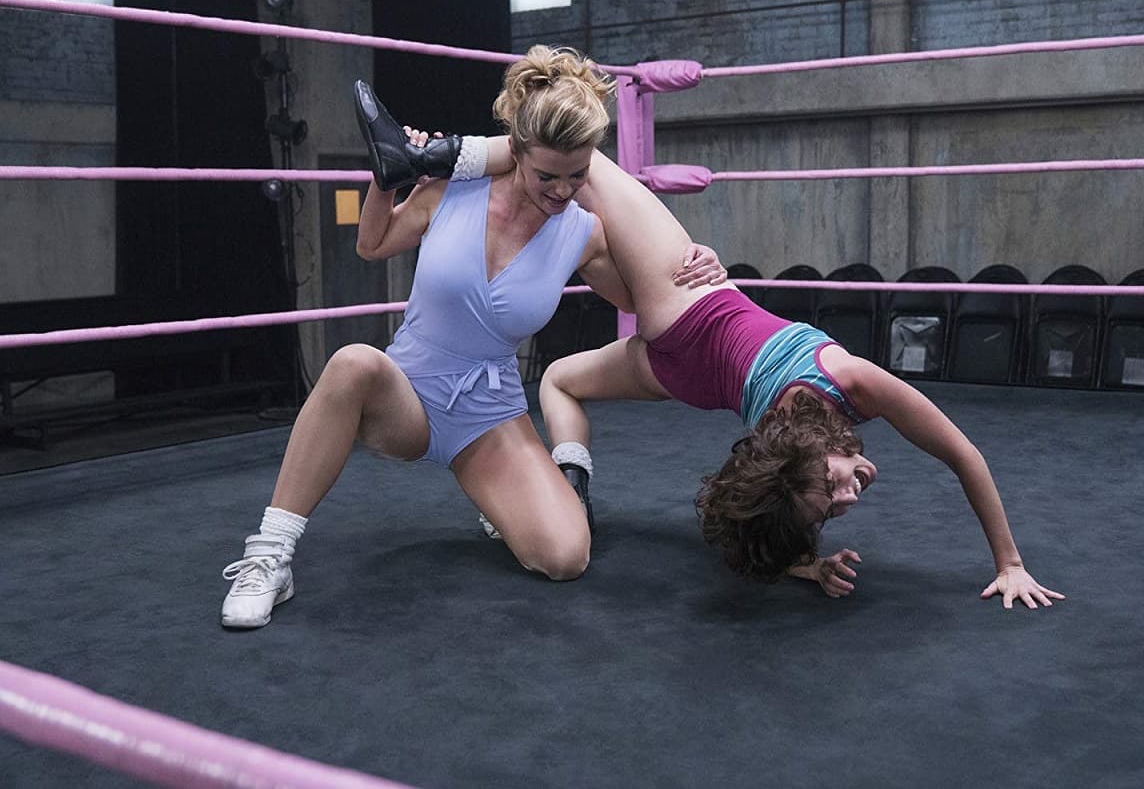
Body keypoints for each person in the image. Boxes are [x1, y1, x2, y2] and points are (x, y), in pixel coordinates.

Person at [385, 120, 1064, 612]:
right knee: (560, 365)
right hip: (688, 373)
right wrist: (1006, 562)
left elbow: (781, 496)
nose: (851, 497)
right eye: (836, 496)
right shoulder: (838, 397)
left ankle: (433, 154)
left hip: (687, 307)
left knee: (587, 164)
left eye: (830, 498)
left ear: (800, 456)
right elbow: (962, 455)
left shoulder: (830, 409)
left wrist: (802, 560)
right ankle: (571, 484)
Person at [219, 45, 725, 629]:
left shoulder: (583, 232)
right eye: (547, 176)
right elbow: (371, 244)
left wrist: (693, 260)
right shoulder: (450, 190)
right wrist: (389, 176)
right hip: (408, 394)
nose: (562, 191)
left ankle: (501, 499)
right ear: (516, 152)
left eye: (577, 175)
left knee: (565, 557)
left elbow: (642, 299)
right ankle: (271, 554)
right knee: (353, 362)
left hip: (489, 411)